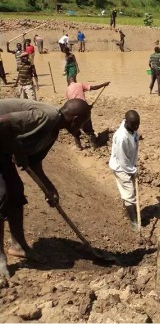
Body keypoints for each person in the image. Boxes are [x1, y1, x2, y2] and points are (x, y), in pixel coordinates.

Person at [0, 98, 92, 287]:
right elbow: (4, 122)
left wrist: (49, 188)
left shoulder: (52, 132)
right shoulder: (48, 117)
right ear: (75, 119)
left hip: (3, 147)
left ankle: (18, 245)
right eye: (82, 123)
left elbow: (34, 164)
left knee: (16, 192)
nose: (81, 129)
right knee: (1, 194)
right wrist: (18, 150)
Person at [109, 110, 141, 232]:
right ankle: (134, 223)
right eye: (134, 125)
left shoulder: (132, 128)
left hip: (129, 164)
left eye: (138, 124)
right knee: (129, 194)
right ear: (126, 122)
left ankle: (127, 209)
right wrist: (133, 170)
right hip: (121, 168)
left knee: (129, 192)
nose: (136, 127)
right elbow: (122, 161)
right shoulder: (122, 137)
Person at [66, 76, 110, 149]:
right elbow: (93, 87)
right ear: (75, 80)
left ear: (68, 82)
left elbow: (71, 102)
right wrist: (103, 84)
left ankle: (78, 145)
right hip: (82, 107)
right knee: (88, 127)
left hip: (73, 110)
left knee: (76, 128)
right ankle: (94, 144)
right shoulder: (80, 84)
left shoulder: (67, 90)